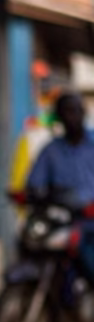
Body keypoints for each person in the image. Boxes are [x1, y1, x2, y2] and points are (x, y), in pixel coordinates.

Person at [26, 90, 94, 280]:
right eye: (66, 112)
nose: (71, 117)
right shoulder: (51, 150)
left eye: (75, 111)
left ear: (83, 113)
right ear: (59, 117)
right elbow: (35, 183)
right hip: (61, 221)